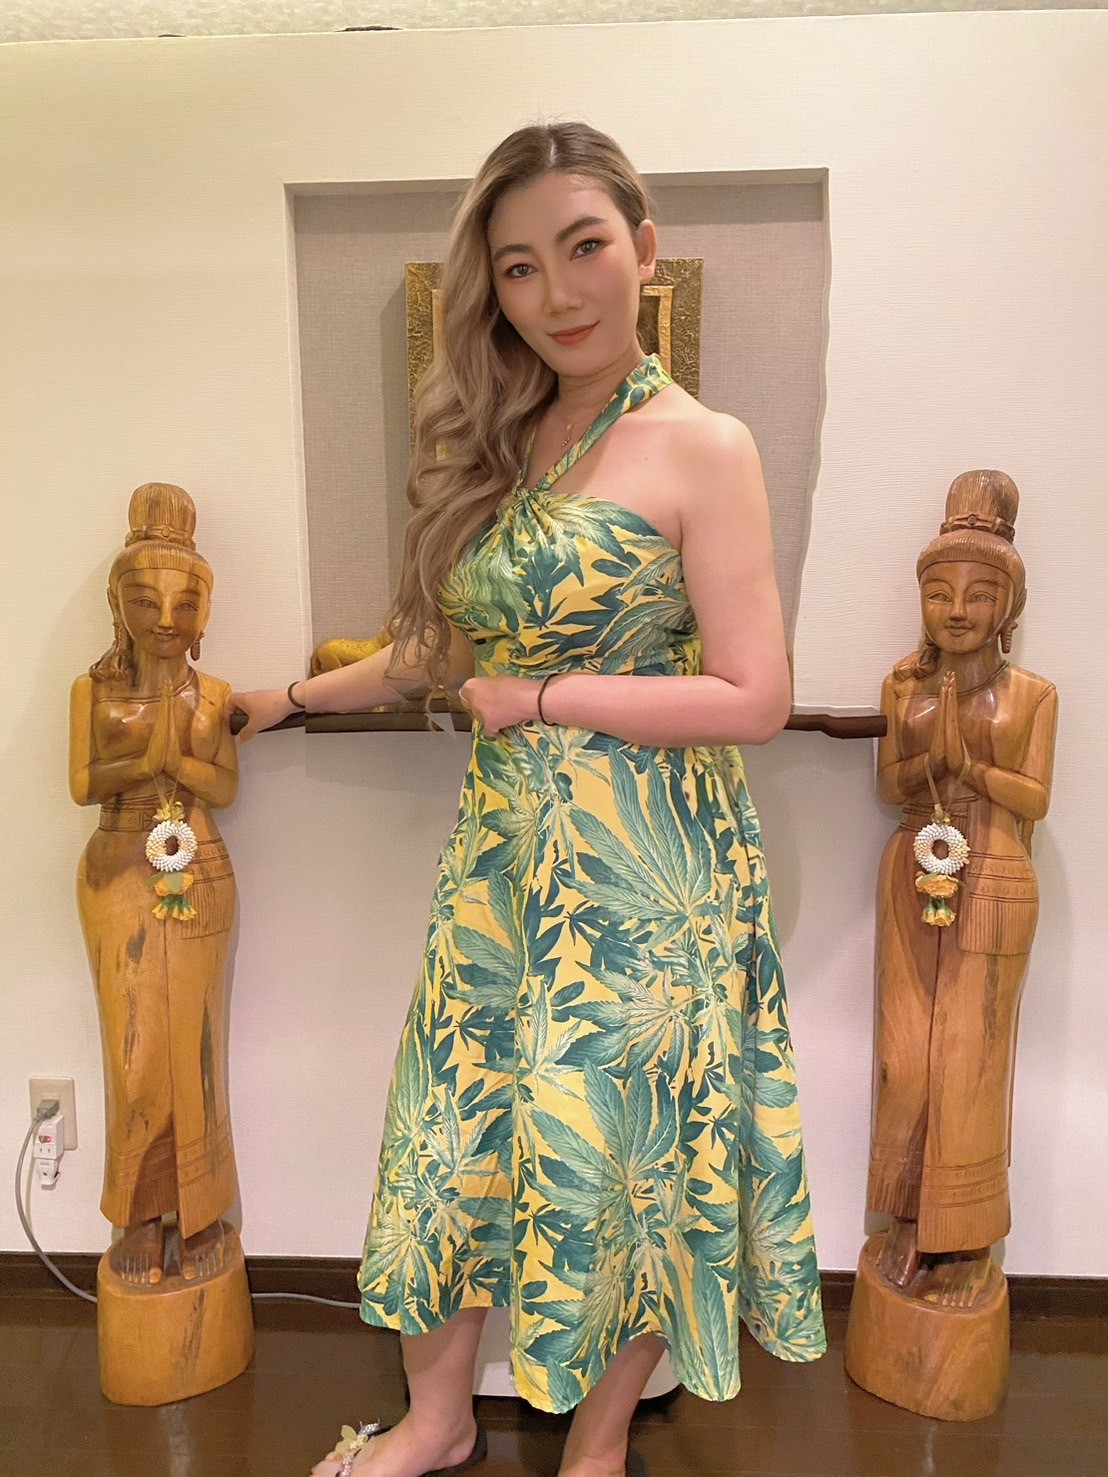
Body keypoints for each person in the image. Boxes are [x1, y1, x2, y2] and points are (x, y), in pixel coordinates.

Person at [233, 122, 825, 1477]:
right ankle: (438, 1422)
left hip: (648, 871)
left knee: (617, 1157)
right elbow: (444, 649)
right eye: (517, 267)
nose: (557, 293)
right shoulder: (506, 441)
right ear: (488, 289)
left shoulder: (703, 444)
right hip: (505, 866)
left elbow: (755, 695)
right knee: (453, 1133)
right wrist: (294, 695)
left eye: (584, 246)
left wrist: (549, 696)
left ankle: (594, 1445)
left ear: (644, 249)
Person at [868, 470, 1057, 1308]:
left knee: (969, 1062)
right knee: (905, 1058)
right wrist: (928, 761)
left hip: (997, 876)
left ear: (1007, 606)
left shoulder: (1032, 695)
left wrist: (969, 765)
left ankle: (965, 1242)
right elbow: (889, 783)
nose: (957, 610)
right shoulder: (902, 686)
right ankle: (909, 1218)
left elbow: (1035, 797)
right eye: (939, 592)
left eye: (979, 595)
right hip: (914, 871)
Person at [69, 482, 240, 1286]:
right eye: (146, 600)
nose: (167, 618)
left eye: (185, 602)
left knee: (196, 1046)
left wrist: (181, 761)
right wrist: (149, 759)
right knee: (133, 1047)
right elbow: (82, 783)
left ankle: (198, 1213)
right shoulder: (94, 690)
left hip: (199, 866)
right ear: (118, 605)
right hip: (117, 865)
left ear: (204, 613)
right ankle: (139, 1211)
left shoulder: (214, 693)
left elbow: (225, 786)